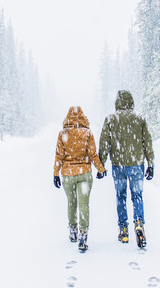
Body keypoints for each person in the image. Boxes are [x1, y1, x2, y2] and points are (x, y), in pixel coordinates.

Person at [98, 90, 154, 248]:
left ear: (117, 102)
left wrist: (101, 164)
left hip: (118, 165)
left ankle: (123, 229)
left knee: (120, 196)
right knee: (137, 195)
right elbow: (147, 141)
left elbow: (104, 143)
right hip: (136, 164)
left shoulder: (111, 119)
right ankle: (139, 223)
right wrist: (151, 163)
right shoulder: (140, 118)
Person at [53, 106, 107, 252]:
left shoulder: (63, 134)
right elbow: (93, 154)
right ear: (83, 117)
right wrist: (101, 169)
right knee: (84, 205)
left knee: (71, 203)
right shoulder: (87, 133)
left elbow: (59, 155)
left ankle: (73, 231)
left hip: (68, 174)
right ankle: (83, 234)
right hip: (84, 173)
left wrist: (56, 174)